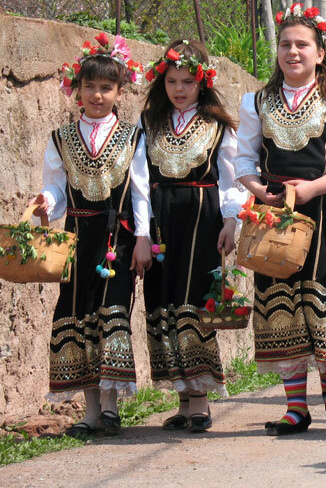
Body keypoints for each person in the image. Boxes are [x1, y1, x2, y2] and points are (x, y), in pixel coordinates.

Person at [234, 3, 326, 435]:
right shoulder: (255, 102)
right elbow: (242, 159)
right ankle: (296, 405)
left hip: (325, 207)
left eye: (302, 45)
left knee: (321, 295)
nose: (293, 52)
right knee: (280, 299)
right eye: (286, 44)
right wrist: (259, 192)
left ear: (320, 53)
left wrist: (310, 189)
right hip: (274, 213)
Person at [30, 33, 152, 438]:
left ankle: (112, 408)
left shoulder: (134, 136)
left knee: (112, 315)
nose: (97, 95)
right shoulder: (60, 139)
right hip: (77, 236)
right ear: (76, 90)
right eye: (89, 86)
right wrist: (46, 203)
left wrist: (143, 238)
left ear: (120, 91)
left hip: (116, 238)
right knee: (76, 314)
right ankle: (90, 411)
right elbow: (54, 187)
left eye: (106, 87)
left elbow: (140, 192)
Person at [139, 39, 247, 432]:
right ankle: (183, 400)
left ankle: (200, 398)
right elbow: (138, 180)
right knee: (163, 301)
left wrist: (231, 221)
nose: (179, 89)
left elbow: (232, 181)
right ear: (161, 82)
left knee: (193, 303)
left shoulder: (219, 126)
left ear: (203, 82)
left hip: (202, 219)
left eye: (187, 81)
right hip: (161, 221)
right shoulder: (148, 123)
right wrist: (142, 228)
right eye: (171, 81)